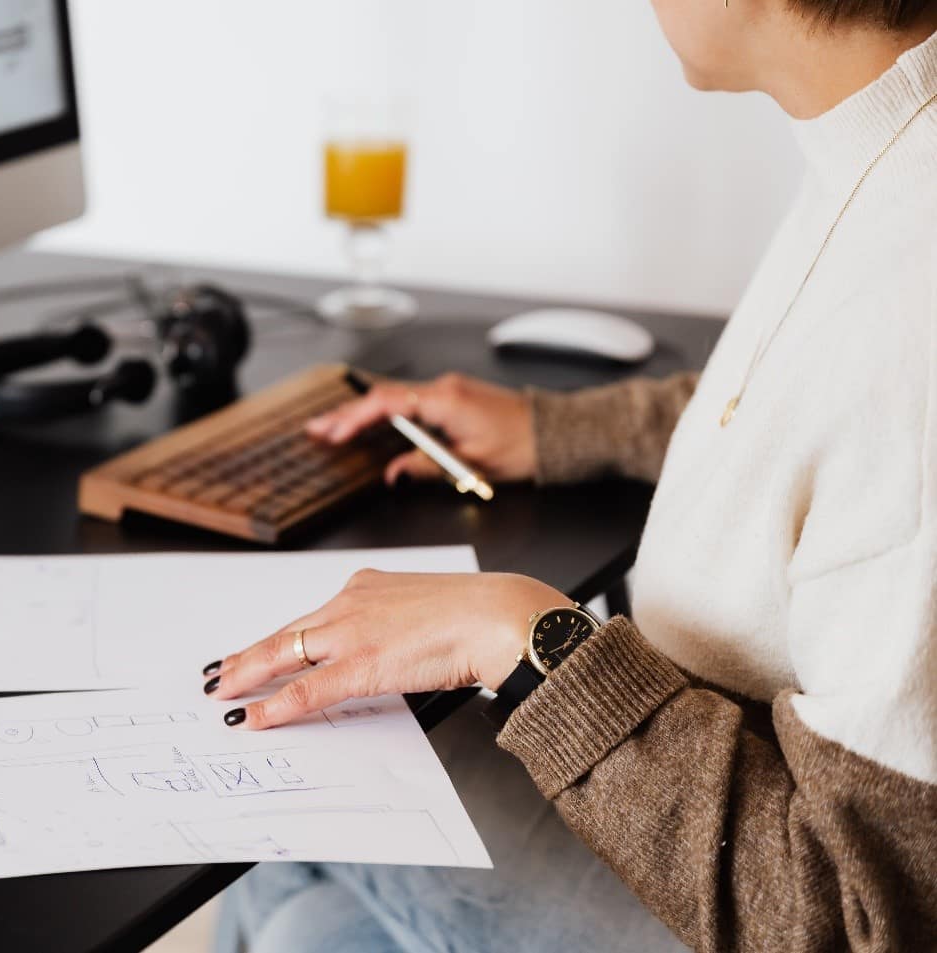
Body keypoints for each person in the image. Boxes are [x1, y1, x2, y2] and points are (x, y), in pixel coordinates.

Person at [207, 1, 937, 950]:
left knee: (304, 784)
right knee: (308, 924)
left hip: (776, 873)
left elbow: (858, 916)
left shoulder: (913, 302)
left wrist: (524, 636)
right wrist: (555, 429)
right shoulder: (885, 144)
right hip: (712, 760)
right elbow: (826, 413)